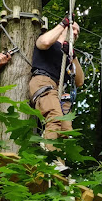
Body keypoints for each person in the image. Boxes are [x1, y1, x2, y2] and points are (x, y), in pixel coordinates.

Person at [29, 16, 84, 165]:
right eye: (73, 29)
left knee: (65, 128)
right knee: (55, 116)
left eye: (78, 32)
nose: (76, 33)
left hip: (57, 90)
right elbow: (44, 42)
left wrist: (73, 56)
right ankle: (50, 157)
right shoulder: (49, 42)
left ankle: (59, 163)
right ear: (64, 29)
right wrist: (63, 24)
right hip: (43, 81)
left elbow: (80, 81)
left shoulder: (68, 55)